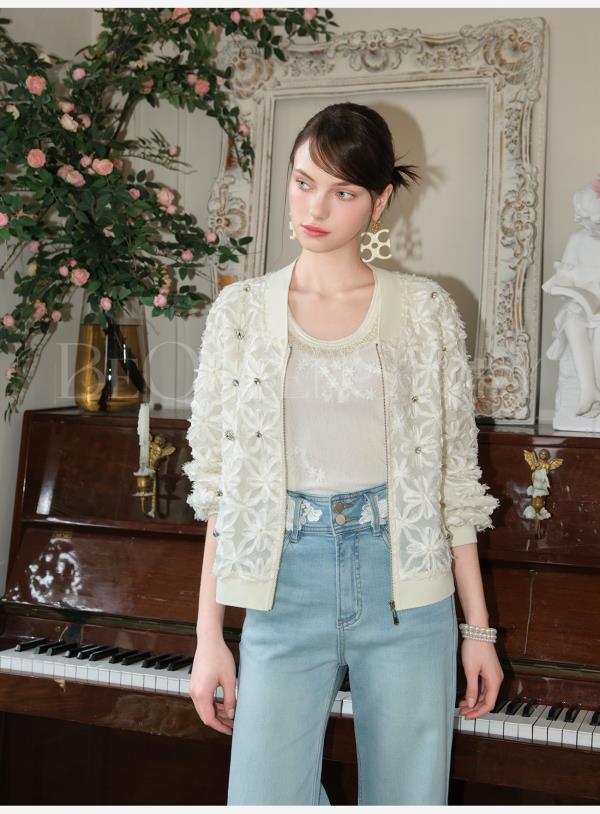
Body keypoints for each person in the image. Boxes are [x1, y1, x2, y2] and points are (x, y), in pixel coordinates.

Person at [185, 102, 503, 805]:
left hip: (405, 585)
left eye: (344, 191)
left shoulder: (426, 311)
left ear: (379, 201)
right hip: (280, 582)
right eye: (304, 183)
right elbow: (219, 488)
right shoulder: (240, 313)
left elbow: (455, 480)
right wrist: (209, 636)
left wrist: (477, 630)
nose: (316, 208)